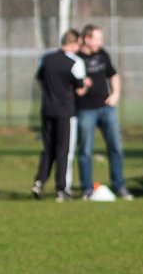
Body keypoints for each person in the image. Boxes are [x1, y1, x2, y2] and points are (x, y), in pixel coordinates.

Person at [76, 24, 132, 200]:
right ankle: (87, 188)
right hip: (85, 110)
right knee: (85, 150)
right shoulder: (76, 58)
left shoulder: (102, 54)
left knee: (115, 147)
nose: (100, 42)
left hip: (106, 108)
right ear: (87, 39)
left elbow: (113, 75)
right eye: (97, 39)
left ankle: (119, 185)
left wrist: (115, 94)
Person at [33, 29, 90, 201]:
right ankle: (62, 188)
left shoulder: (47, 58)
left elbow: (39, 79)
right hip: (65, 111)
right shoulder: (76, 62)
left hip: (47, 109)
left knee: (48, 148)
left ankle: (39, 182)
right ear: (74, 43)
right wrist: (87, 84)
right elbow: (80, 90)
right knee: (64, 150)